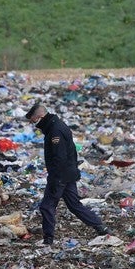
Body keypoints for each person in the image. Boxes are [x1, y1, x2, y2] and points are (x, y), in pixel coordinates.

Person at [25, 104, 112, 245]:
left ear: (40, 116)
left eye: (33, 120)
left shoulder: (55, 131)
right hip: (69, 173)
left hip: (61, 175)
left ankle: (48, 239)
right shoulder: (56, 125)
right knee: (74, 204)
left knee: (46, 206)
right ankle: (101, 227)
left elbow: (59, 157)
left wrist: (55, 180)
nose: (33, 123)